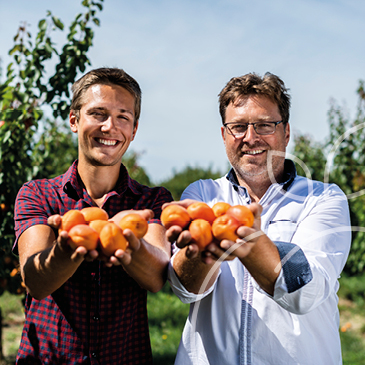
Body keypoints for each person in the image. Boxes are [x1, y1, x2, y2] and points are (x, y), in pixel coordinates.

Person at [166, 72, 351, 364]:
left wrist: (250, 241)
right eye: (238, 127)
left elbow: (306, 292)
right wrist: (200, 252)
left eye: (264, 125)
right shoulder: (203, 193)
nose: (250, 138)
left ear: (286, 132)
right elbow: (185, 290)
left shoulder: (323, 199)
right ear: (224, 135)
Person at [13, 67, 173, 364]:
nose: (110, 127)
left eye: (123, 117)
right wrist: (67, 249)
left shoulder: (152, 201)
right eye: (98, 113)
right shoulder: (37, 195)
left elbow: (156, 277)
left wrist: (130, 243)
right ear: (74, 119)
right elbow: (35, 280)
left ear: (134, 129)